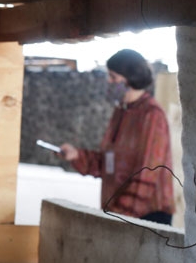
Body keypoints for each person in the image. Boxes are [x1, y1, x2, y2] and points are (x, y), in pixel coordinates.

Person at [60, 49, 175, 225]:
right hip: (121, 214)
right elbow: (108, 163)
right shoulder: (121, 111)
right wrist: (77, 155)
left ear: (130, 79)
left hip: (147, 216)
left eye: (113, 77)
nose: (109, 81)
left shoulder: (152, 115)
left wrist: (117, 214)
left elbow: (147, 173)